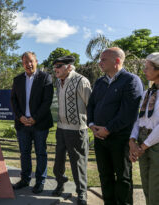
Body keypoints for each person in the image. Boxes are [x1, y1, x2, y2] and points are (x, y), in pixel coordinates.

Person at [87, 47, 143, 205]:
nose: (99, 63)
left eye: (103, 59)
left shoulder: (131, 80)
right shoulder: (100, 81)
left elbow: (128, 113)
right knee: (105, 176)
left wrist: (108, 129)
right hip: (99, 138)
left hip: (120, 139)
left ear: (117, 61)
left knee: (123, 177)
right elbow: (91, 105)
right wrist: (92, 125)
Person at [10, 51, 54, 193]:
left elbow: (47, 102)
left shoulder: (46, 78)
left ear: (36, 61)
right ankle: (25, 179)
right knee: (24, 153)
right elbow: (13, 100)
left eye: (31, 61)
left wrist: (34, 118)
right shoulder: (17, 80)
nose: (28, 64)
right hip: (22, 124)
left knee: (41, 153)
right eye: (25, 62)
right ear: (22, 64)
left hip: (40, 124)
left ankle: (40, 182)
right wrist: (20, 117)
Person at [52, 56, 92, 205]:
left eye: (59, 66)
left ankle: (82, 192)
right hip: (61, 128)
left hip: (77, 130)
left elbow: (90, 104)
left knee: (78, 163)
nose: (55, 69)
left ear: (69, 67)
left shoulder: (81, 81)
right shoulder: (57, 81)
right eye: (54, 66)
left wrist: (90, 125)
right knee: (58, 162)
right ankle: (60, 183)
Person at [129, 52, 159, 205]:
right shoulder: (148, 93)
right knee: (146, 186)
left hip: (154, 145)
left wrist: (143, 146)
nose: (144, 71)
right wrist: (132, 141)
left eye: (147, 68)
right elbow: (138, 119)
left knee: (156, 189)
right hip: (142, 142)